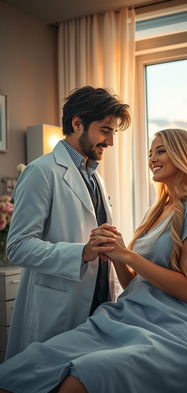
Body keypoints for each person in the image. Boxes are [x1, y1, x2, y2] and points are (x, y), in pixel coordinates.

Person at [0, 129, 187, 393]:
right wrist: (115, 256)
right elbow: (135, 286)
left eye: (161, 151)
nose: (152, 159)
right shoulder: (157, 211)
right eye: (150, 153)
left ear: (184, 155)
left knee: (82, 377)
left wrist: (128, 255)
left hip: (175, 327)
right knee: (26, 366)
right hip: (130, 318)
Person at [5, 86, 130, 360]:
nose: (110, 141)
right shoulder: (41, 171)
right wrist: (81, 253)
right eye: (105, 130)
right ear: (77, 123)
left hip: (97, 307)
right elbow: (18, 247)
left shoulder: (95, 177)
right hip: (57, 310)